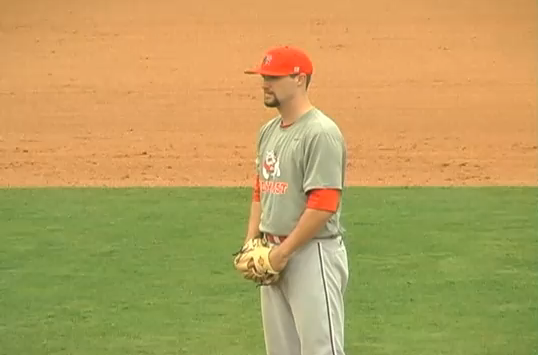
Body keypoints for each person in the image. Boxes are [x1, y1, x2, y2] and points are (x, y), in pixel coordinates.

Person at [242, 45, 349, 355]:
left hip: (311, 254)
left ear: (299, 79)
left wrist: (284, 252)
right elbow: (261, 186)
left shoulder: (321, 133)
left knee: (321, 350)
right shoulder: (268, 132)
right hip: (273, 256)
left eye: (273, 77)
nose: (265, 83)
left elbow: (324, 204)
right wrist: (252, 241)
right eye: (263, 76)